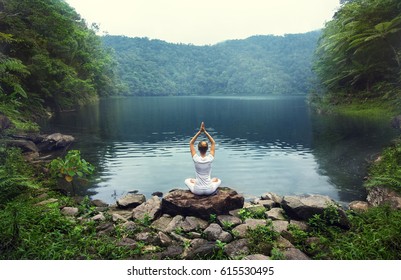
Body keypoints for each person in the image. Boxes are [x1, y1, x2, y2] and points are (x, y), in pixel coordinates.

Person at [185, 122, 221, 195]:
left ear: (198, 149)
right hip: (209, 190)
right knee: (218, 180)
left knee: (187, 180)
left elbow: (191, 143)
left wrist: (199, 132)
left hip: (197, 190)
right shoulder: (210, 158)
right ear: (207, 149)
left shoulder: (196, 159)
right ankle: (210, 181)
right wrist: (205, 132)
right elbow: (213, 143)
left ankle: (196, 181)